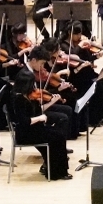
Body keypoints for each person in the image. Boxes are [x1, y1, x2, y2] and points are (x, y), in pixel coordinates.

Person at [12, 47, 72, 179]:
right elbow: (24, 121)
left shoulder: (27, 96)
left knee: (58, 135)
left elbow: (37, 110)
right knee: (57, 137)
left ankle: (55, 169)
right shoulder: (19, 99)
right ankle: (56, 173)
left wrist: (48, 105)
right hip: (25, 133)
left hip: (34, 128)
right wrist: (40, 118)